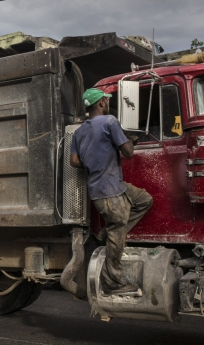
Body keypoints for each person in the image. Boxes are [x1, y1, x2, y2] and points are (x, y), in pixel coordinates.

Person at [70, 88, 153, 295]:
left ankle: (103, 232)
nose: (107, 102)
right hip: (110, 192)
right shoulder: (109, 121)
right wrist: (128, 141)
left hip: (104, 188)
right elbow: (128, 152)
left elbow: (74, 161)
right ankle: (112, 282)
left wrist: (94, 161)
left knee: (144, 200)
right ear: (100, 103)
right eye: (106, 100)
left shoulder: (79, 132)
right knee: (118, 233)